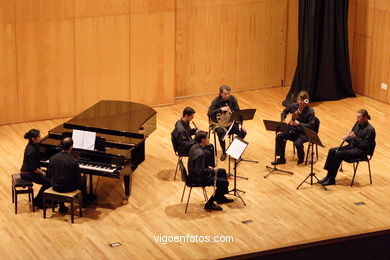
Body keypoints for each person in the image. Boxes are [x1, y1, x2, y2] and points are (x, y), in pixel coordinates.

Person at [320, 109, 376, 185]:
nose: (357, 119)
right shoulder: (357, 125)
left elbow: (364, 146)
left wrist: (354, 137)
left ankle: (331, 179)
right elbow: (353, 140)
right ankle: (328, 175)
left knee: (338, 154)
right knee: (332, 151)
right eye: (357, 117)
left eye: (359, 117)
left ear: (365, 117)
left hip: (360, 151)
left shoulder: (370, 130)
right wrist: (348, 138)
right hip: (352, 147)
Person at [188, 131, 233, 211]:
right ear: (202, 140)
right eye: (207, 138)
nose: (208, 140)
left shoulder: (194, 146)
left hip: (194, 173)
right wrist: (212, 170)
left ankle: (220, 197)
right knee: (224, 183)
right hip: (197, 177)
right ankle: (209, 203)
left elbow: (198, 166)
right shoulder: (200, 153)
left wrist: (208, 167)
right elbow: (200, 171)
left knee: (222, 171)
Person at [272, 90, 315, 165]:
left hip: (303, 133)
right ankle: (281, 158)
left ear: (306, 101)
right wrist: (283, 120)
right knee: (280, 136)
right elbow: (284, 112)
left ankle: (301, 157)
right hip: (293, 131)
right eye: (299, 100)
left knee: (298, 143)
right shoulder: (295, 106)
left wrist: (299, 124)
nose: (300, 103)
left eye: (302, 101)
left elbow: (311, 126)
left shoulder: (310, 111)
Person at [48, 137, 88, 212]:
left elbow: (49, 174)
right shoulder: (73, 161)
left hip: (55, 186)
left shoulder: (52, 158)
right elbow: (78, 179)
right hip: (68, 188)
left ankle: (61, 205)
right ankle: (84, 203)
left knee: (61, 178)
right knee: (83, 179)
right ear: (71, 147)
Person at [208, 85, 246, 161]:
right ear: (220, 93)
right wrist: (220, 109)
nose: (227, 95)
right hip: (217, 124)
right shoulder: (216, 101)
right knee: (221, 132)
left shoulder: (232, 99)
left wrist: (240, 124)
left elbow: (238, 112)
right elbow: (209, 113)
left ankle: (234, 151)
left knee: (243, 132)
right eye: (225, 94)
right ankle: (224, 152)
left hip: (229, 122)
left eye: (229, 93)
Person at [20, 129, 51, 209]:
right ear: (33, 138)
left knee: (50, 174)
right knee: (49, 182)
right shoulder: (31, 150)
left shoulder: (34, 145)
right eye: (39, 137)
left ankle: (48, 199)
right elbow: (34, 169)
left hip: (32, 171)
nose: (40, 138)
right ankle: (37, 201)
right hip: (27, 173)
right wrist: (43, 173)